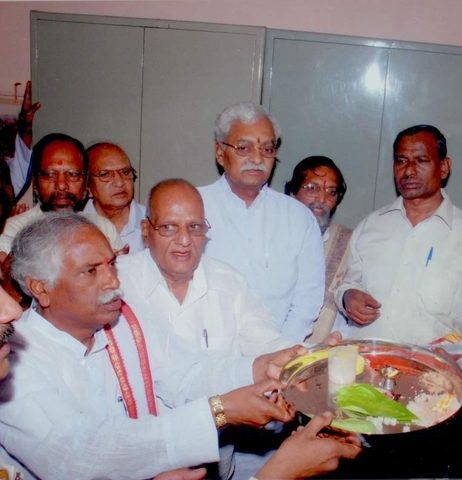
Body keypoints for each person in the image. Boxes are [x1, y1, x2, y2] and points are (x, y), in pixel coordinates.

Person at [0, 212, 308, 480]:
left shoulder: (123, 322)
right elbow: (77, 453)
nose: (112, 282)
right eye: (91, 271)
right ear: (41, 288)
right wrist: (217, 412)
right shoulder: (12, 358)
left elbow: (188, 373)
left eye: (112, 264)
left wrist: (260, 367)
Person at [334, 124, 462, 477]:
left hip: (430, 398)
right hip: (368, 388)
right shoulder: (371, 226)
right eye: (400, 160)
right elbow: (347, 283)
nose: (408, 170)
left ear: (444, 167)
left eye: (421, 160)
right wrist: (347, 297)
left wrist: (460, 373)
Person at [118, 178, 293, 356]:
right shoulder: (119, 282)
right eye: (169, 227)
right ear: (146, 232)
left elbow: (269, 345)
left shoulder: (230, 284)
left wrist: (305, 356)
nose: (184, 240)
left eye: (194, 227)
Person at [198, 103, 324, 343]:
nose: (257, 158)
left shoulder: (298, 218)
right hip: (206, 354)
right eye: (244, 148)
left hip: (277, 352)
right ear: (219, 152)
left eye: (267, 149)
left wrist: (277, 351)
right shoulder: (193, 207)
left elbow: (307, 301)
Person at [0, 133, 124, 257]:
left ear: (86, 180)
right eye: (50, 175)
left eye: (72, 174)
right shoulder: (13, 231)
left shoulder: (103, 228)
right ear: (35, 182)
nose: (61, 185)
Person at [285, 156, 352, 343]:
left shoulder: (349, 243)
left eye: (331, 192)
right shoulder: (272, 237)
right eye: (312, 188)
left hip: (322, 352)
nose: (322, 199)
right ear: (292, 193)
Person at [84, 142, 146, 253]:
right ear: (88, 187)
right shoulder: (73, 227)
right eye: (105, 175)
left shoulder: (154, 223)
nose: (119, 183)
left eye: (125, 172)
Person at [5, 81, 40, 200]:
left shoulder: (12, 185)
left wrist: (25, 122)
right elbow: (23, 153)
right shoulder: (16, 184)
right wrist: (26, 124)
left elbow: (22, 151)